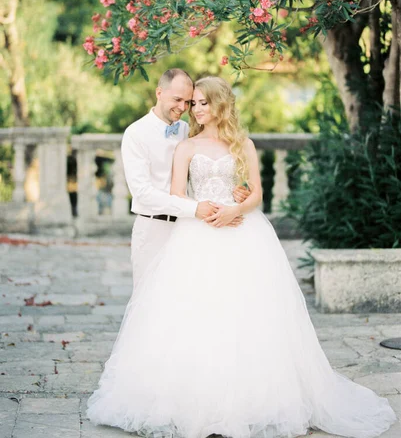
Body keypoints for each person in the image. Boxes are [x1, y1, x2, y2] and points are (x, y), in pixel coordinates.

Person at [87, 76, 397, 438]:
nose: (195, 108)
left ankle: (250, 399)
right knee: (188, 312)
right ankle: (190, 397)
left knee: (246, 311)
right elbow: (177, 194)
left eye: (202, 102)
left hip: (242, 232)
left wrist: (238, 207)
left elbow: (256, 194)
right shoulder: (183, 146)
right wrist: (203, 211)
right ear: (163, 95)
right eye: (192, 102)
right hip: (194, 231)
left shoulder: (242, 144)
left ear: (220, 104)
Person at [120, 68, 246, 286]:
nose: (183, 108)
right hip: (154, 229)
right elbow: (142, 193)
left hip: (189, 230)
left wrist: (235, 190)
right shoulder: (135, 134)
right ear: (159, 92)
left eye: (188, 102)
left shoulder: (186, 129)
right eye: (177, 99)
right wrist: (195, 209)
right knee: (149, 297)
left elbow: (210, 162)